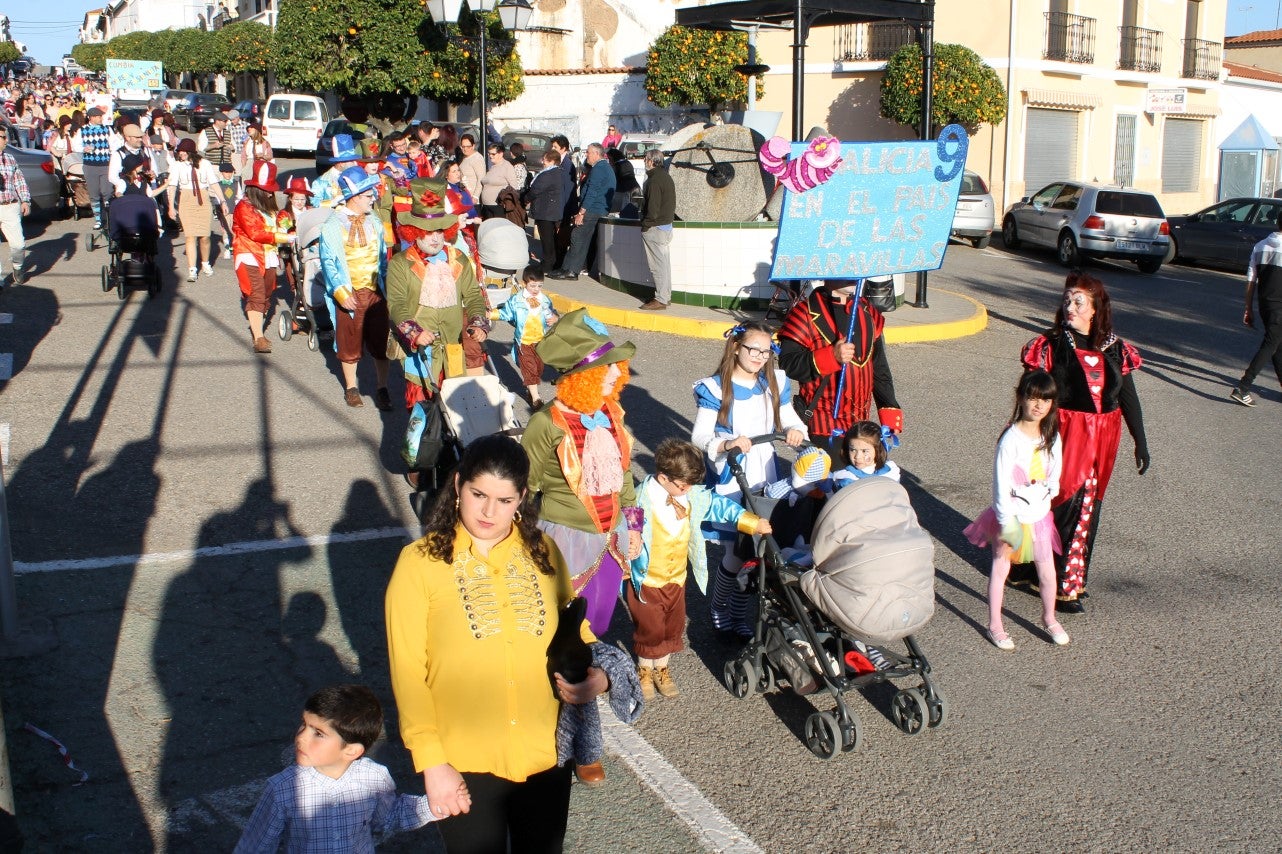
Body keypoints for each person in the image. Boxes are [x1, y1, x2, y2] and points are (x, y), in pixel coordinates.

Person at [386, 435, 637, 851]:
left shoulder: (545, 551)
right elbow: (408, 671)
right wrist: (432, 763)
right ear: (458, 484)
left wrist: (604, 677)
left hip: (545, 753)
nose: (488, 511)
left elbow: (577, 630)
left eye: (504, 501)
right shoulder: (419, 563)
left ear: (522, 497)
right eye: (478, 494)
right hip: (464, 759)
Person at [1020, 271, 1150, 613]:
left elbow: (1128, 399)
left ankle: (1066, 579)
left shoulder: (1115, 349)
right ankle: (1053, 579)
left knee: (1085, 508)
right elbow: (1030, 395)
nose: (1070, 307)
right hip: (1063, 434)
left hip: (1103, 439)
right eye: (1067, 300)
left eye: (1079, 301)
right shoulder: (1049, 347)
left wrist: (1141, 441)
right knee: (1059, 505)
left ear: (1095, 309)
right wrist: (1023, 437)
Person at [521, 309, 643, 648]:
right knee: (565, 623)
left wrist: (633, 524)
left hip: (611, 537)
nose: (617, 373)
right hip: (565, 539)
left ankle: (585, 676)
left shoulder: (612, 412)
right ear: (583, 376)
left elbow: (625, 474)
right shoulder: (545, 424)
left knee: (601, 618)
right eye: (607, 368)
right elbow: (523, 489)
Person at [629, 439, 768, 699]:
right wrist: (629, 544)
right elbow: (627, 527)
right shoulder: (639, 500)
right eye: (683, 486)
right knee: (651, 627)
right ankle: (645, 668)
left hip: (676, 577)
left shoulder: (690, 495)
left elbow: (719, 505)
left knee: (672, 625)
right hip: (648, 578)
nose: (688, 490)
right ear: (663, 478)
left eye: (691, 485)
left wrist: (751, 522)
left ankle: (662, 667)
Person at [691, 322, 806, 637]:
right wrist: (727, 444)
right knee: (736, 553)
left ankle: (741, 615)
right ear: (736, 348)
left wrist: (796, 430)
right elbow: (700, 435)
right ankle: (718, 608)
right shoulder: (716, 388)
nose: (759, 356)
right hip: (733, 477)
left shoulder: (774, 381)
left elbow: (788, 416)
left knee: (761, 551)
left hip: (765, 473)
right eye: (753, 349)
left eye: (766, 351)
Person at [234, 684, 440, 853]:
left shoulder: (374, 778)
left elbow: (390, 817)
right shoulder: (283, 789)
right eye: (303, 724)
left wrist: (435, 806)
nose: (301, 737)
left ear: (351, 751)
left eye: (318, 733)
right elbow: (254, 846)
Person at [962, 371, 1067, 650]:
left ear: (1052, 403)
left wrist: (1048, 494)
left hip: (1040, 516)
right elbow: (1000, 483)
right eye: (1032, 398)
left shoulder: (1052, 436)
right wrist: (1006, 521)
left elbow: (1055, 472)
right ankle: (995, 624)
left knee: (1047, 571)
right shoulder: (1010, 439)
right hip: (1010, 517)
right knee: (1000, 569)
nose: (1038, 406)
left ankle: (1049, 617)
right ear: (1020, 398)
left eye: (1045, 400)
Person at [386, 179, 489, 417]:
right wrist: (415, 332)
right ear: (414, 232)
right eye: (428, 232)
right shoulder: (400, 264)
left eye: (439, 231)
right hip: (420, 352)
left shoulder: (458, 259)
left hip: (453, 350)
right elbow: (397, 305)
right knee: (423, 416)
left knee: (456, 414)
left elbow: (473, 295)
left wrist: (478, 322)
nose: (435, 238)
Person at [778, 278, 904, 456]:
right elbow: (788, 364)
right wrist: (831, 357)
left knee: (865, 480)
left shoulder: (868, 311)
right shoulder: (804, 313)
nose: (854, 275)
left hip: (861, 427)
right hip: (823, 424)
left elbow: (879, 368)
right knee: (832, 482)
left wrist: (889, 409)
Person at [319, 166, 392, 408]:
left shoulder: (376, 222)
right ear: (356, 197)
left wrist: (387, 288)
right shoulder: (332, 225)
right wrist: (340, 292)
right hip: (350, 295)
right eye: (369, 195)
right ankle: (351, 388)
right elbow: (328, 261)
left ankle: (382, 388)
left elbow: (383, 256)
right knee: (349, 344)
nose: (374, 198)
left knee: (381, 343)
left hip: (375, 292)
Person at [233, 160, 291, 355]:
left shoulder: (270, 208)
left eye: (270, 190)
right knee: (257, 293)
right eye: (265, 190)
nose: (269, 193)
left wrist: (284, 220)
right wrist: (282, 236)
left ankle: (256, 323)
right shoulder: (244, 207)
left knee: (266, 295)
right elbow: (255, 233)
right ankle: (258, 337)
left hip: (270, 256)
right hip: (249, 253)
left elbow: (278, 223)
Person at [1230, 210, 1282, 407]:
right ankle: (1243, 387)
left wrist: (1248, 308)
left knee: (1277, 345)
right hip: (1280, 308)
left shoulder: (1260, 246)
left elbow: (1251, 281)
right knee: (1271, 344)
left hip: (1266, 306)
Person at [547, 143, 614, 280]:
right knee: (582, 239)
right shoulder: (605, 167)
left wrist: (581, 213)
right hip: (597, 209)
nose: (586, 155)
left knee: (577, 237)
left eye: (588, 153)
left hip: (592, 210)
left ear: (596, 153)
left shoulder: (599, 169)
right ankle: (570, 268)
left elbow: (592, 192)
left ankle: (570, 270)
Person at [497, 264, 559, 407]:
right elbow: (505, 313)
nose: (536, 290)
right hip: (524, 341)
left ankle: (531, 392)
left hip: (540, 341)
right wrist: (490, 314)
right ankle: (536, 399)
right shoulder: (517, 300)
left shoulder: (545, 299)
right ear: (524, 283)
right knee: (529, 368)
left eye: (539, 286)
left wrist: (555, 317)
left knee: (539, 368)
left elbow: (553, 312)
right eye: (533, 286)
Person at [169, 138, 220, 282]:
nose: (181, 154)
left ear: (191, 152)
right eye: (179, 151)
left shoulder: (204, 164)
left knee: (204, 236)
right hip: (186, 199)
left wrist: (222, 201)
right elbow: (172, 186)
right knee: (190, 236)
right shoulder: (176, 165)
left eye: (184, 151)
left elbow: (214, 183)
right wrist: (171, 207)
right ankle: (192, 269)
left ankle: (205, 263)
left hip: (203, 199)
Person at [638, 148, 674, 310]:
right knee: (664, 264)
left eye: (646, 159)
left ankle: (660, 299)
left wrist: (645, 225)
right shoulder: (665, 176)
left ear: (652, 161)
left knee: (657, 265)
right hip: (665, 226)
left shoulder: (653, 180)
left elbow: (652, 208)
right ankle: (665, 295)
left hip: (655, 228)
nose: (645, 161)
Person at [0, 133, 32, 285]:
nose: (6, 140)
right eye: (2, 137)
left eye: (5, 137)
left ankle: (18, 266)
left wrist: (25, 200)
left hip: (10, 206)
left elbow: (19, 181)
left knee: (18, 244)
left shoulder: (10, 158)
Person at [829, 421, 901, 487]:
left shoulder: (891, 472)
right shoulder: (844, 477)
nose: (858, 457)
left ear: (878, 450)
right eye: (853, 450)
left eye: (864, 451)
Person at [75, 105, 113, 232]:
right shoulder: (83, 130)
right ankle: (98, 219)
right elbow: (76, 146)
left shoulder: (107, 129)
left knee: (107, 191)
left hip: (105, 164)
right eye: (97, 116)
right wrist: (84, 149)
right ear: (91, 118)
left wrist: (111, 151)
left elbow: (115, 143)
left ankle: (109, 216)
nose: (100, 118)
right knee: (94, 193)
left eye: (101, 116)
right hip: (90, 165)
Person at [526, 151, 563, 268]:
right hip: (549, 210)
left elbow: (536, 189)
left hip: (546, 211)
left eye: (545, 160)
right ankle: (550, 262)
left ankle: (547, 264)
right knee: (548, 239)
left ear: (552, 161)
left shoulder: (549, 174)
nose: (543, 162)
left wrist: (526, 198)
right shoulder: (556, 172)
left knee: (547, 239)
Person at [549, 135, 577, 268]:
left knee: (561, 239)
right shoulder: (558, 162)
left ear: (563, 148)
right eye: (552, 146)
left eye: (555, 147)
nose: (552, 149)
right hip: (557, 207)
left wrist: (565, 211)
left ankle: (559, 265)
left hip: (563, 207)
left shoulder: (567, 165)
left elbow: (567, 189)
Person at [478, 142, 518, 220]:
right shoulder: (492, 167)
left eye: (493, 154)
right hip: (487, 206)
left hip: (498, 207)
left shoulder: (506, 166)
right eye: (489, 154)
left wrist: (507, 202)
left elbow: (514, 186)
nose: (490, 156)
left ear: (500, 154)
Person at [456, 134, 485, 201]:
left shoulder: (477, 158)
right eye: (463, 146)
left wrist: (475, 196)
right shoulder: (464, 157)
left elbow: (481, 178)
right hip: (464, 195)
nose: (465, 149)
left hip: (472, 197)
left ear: (473, 146)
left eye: (468, 146)